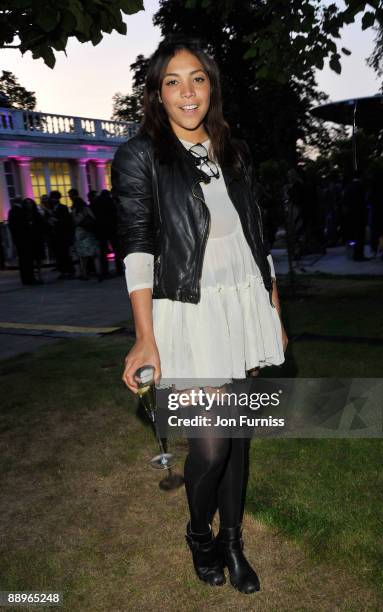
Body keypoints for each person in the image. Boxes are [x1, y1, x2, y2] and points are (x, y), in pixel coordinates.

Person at [111, 37, 288, 595]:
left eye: (198, 79)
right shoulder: (142, 155)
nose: (187, 92)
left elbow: (257, 238)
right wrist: (145, 338)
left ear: (211, 86)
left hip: (243, 299)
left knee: (237, 437)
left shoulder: (233, 149)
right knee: (211, 444)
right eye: (173, 81)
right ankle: (197, 533)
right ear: (157, 94)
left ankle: (233, 542)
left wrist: (273, 308)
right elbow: (137, 247)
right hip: (187, 306)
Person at [71, 196, 101, 280]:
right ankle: (98, 272)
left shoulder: (76, 211)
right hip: (90, 233)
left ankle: (84, 273)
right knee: (94, 254)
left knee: (83, 256)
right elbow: (94, 218)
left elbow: (76, 222)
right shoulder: (87, 209)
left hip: (80, 233)